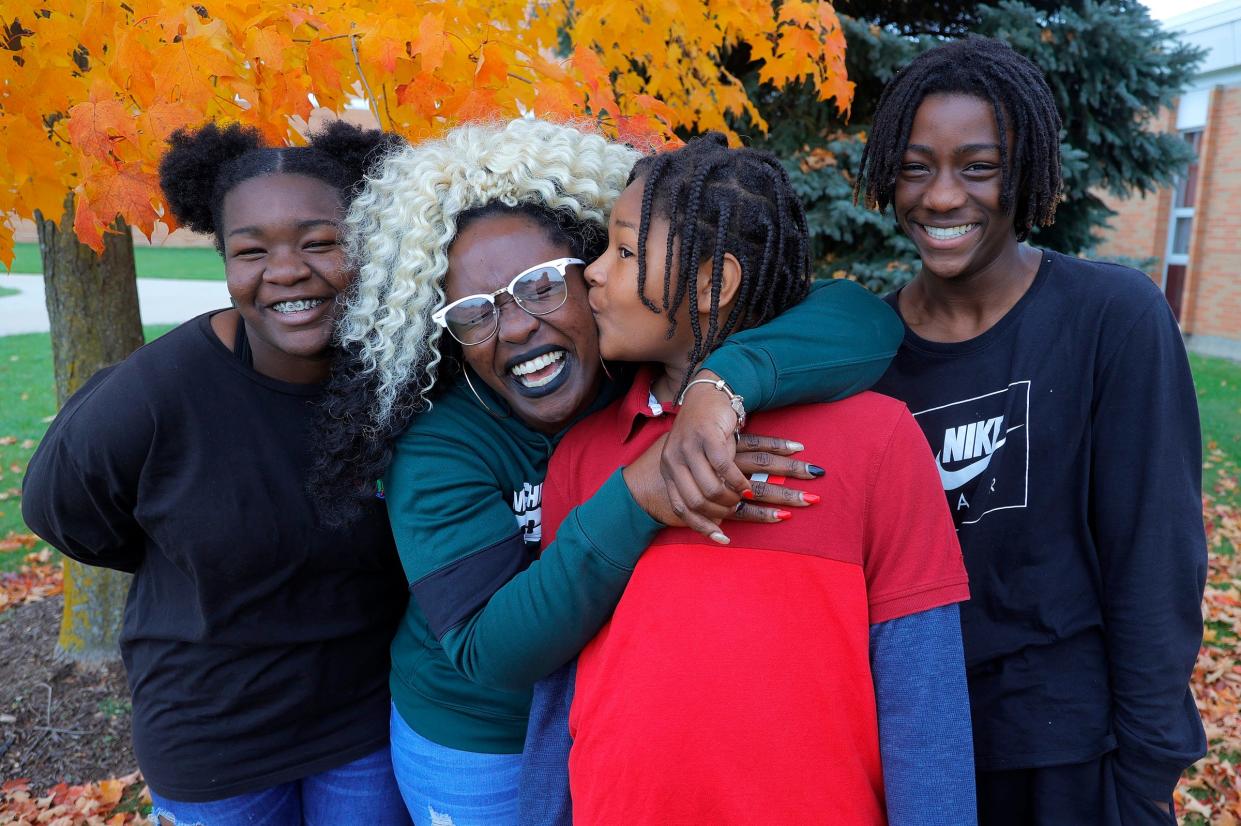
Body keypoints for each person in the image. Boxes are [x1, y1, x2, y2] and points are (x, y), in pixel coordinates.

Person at [309, 117, 907, 826]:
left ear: (589, 271)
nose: (516, 327)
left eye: (538, 286)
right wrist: (637, 494)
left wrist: (720, 385)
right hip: (484, 743)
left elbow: (856, 315)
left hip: (616, 727)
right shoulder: (443, 449)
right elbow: (484, 651)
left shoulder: (640, 363)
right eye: (474, 312)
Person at [520, 133, 977, 825]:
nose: (591, 272)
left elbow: (924, 696)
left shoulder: (876, 439)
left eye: (623, 251)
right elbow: (557, 696)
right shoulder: (582, 456)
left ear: (712, 282)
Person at [857, 37, 1208, 826]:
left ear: (1025, 172)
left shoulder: (1107, 317)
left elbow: (1156, 555)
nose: (941, 197)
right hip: (909, 753)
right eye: (915, 166)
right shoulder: (864, 353)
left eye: (977, 167)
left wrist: (1148, 769)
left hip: (1067, 754)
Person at [21, 122, 413, 826]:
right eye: (251, 251)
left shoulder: (400, 375)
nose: (287, 270)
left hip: (364, 724)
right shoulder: (153, 393)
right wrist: (179, 549)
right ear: (225, 262)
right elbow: (61, 510)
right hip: (213, 739)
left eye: (320, 242)